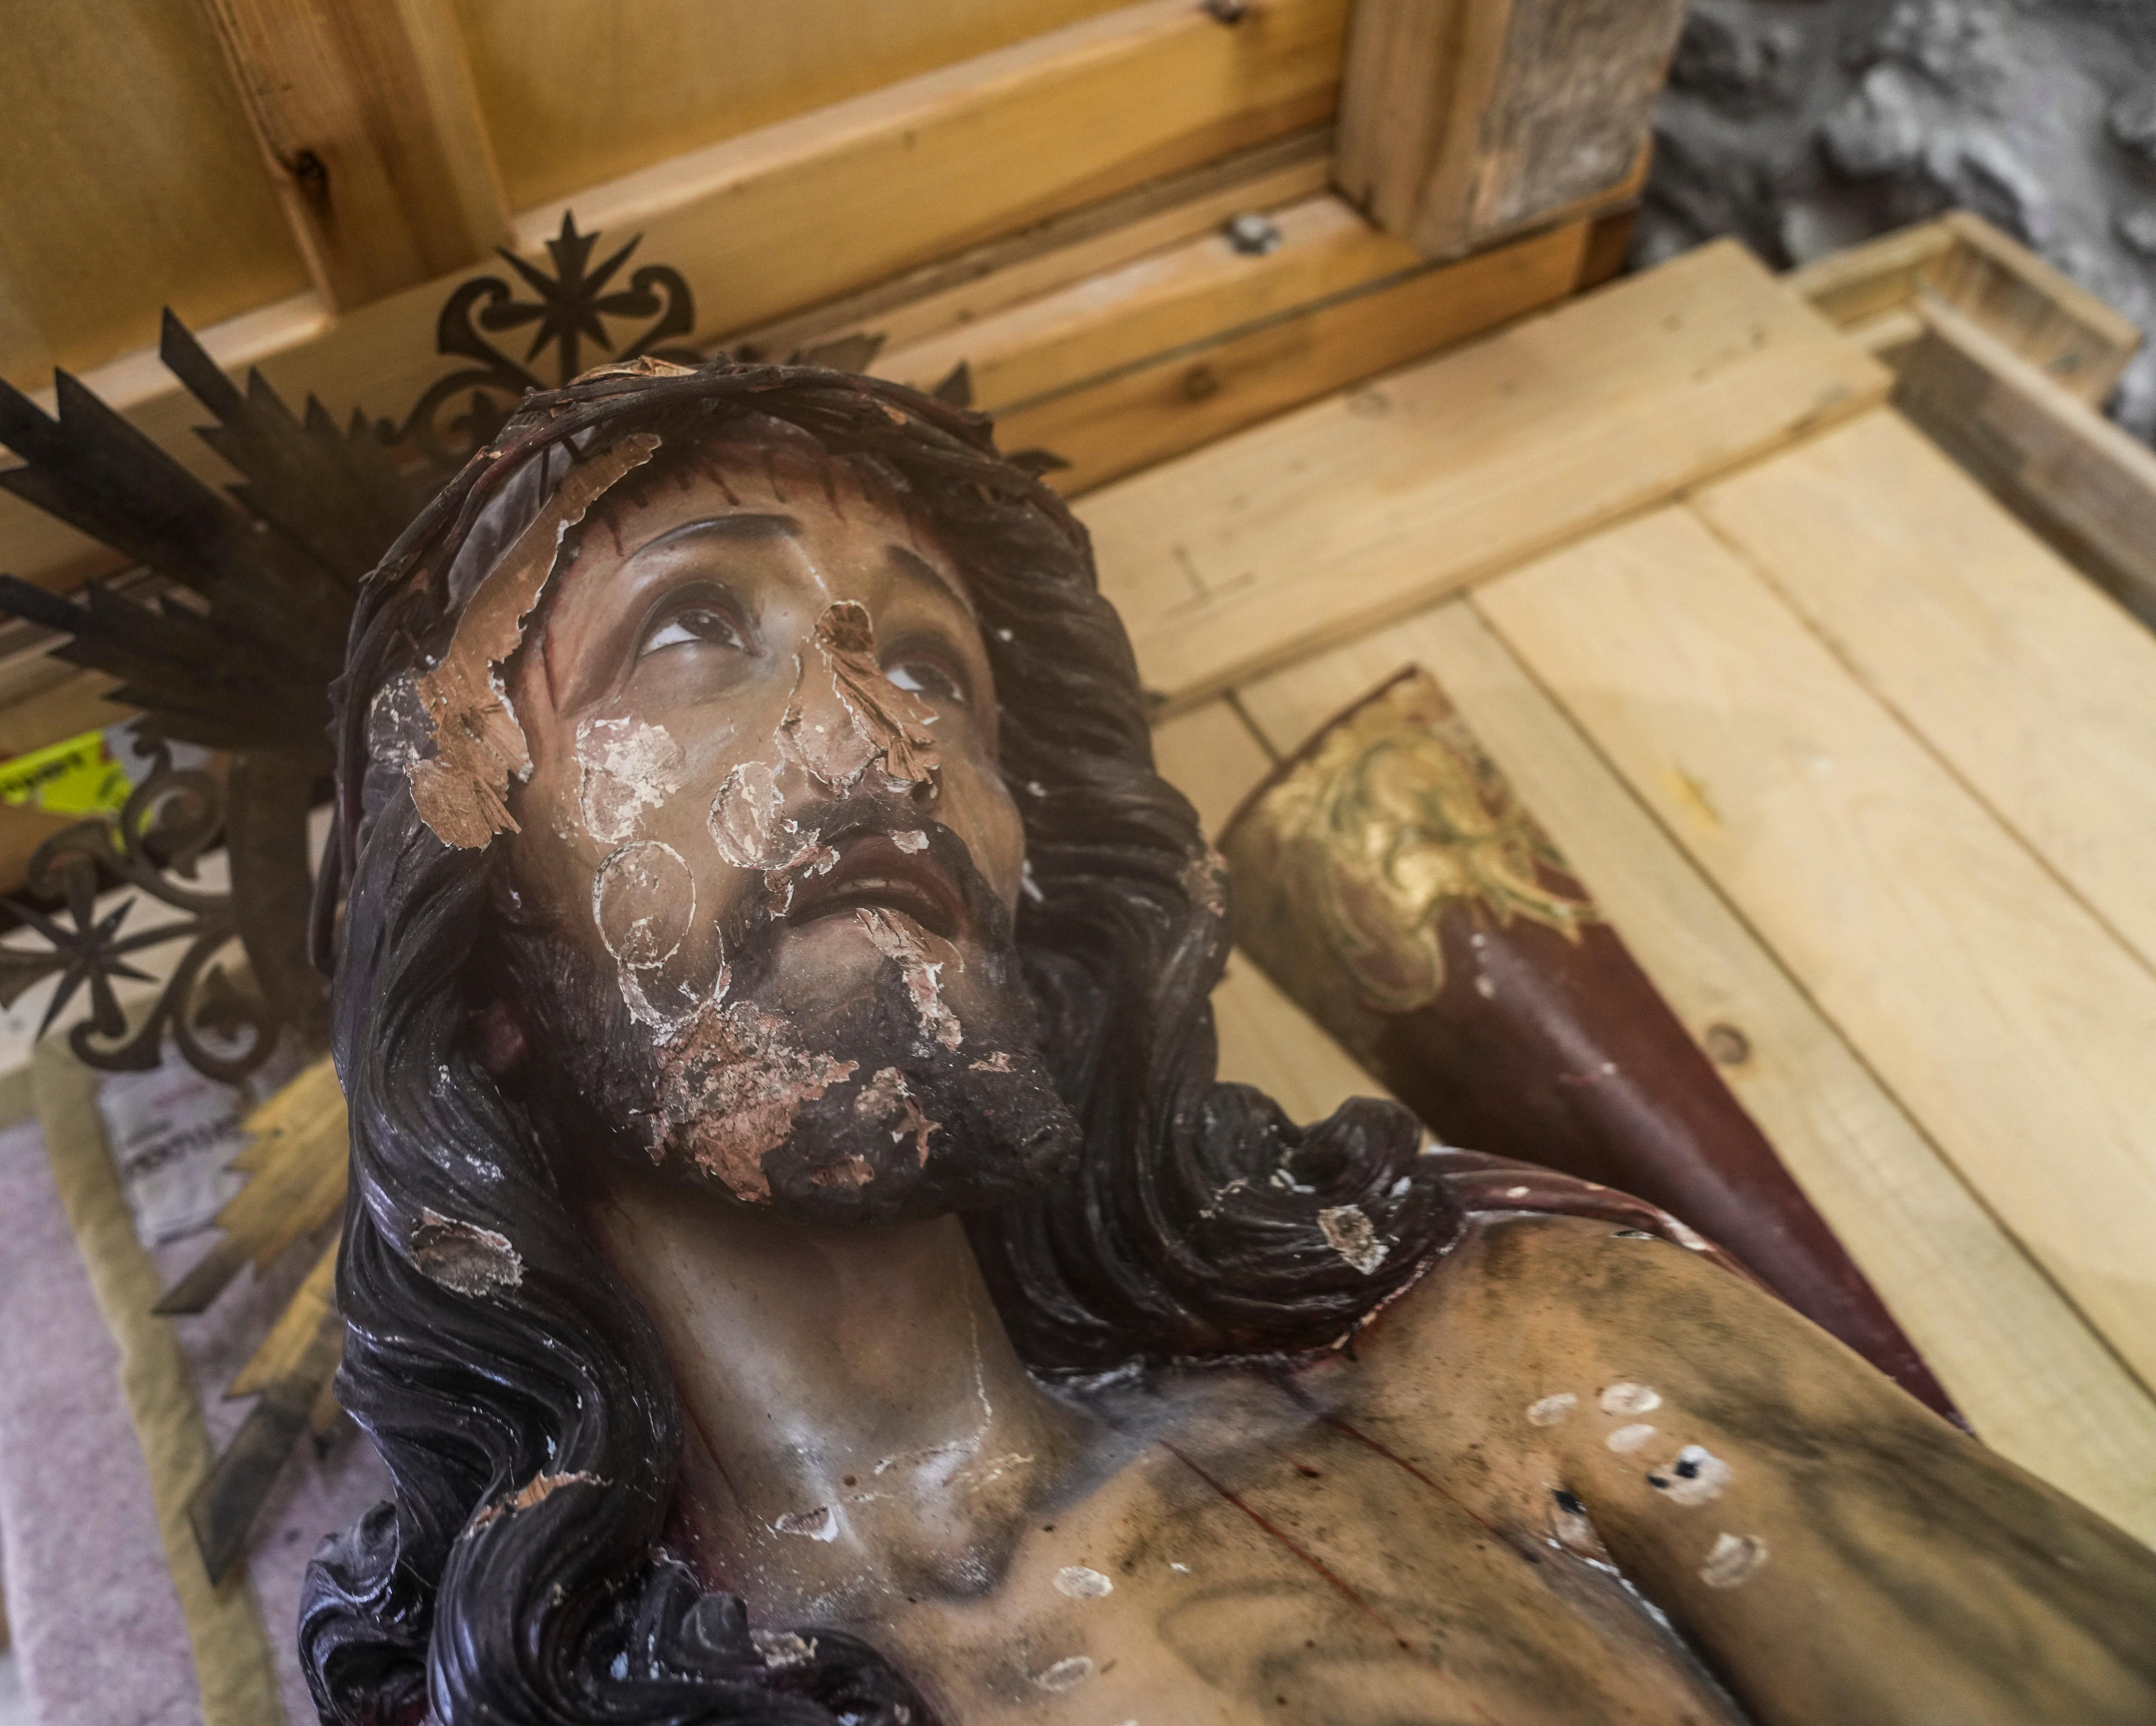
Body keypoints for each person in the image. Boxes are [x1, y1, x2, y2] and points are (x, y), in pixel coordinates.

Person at [301, 359, 2156, 1725]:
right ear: (485, 966)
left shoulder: (1527, 1368)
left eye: (938, 663)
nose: (881, 717)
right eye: (698, 627)